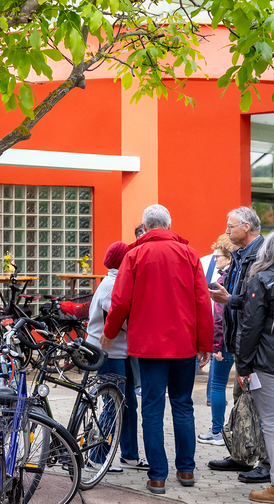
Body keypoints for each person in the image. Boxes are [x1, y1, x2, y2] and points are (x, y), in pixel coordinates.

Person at [102, 204, 212, 495]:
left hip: (149, 345)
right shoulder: (189, 254)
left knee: (152, 408)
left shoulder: (135, 255)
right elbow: (202, 300)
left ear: (146, 226)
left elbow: (121, 300)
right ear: (169, 224)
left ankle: (157, 476)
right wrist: (205, 343)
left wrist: (109, 332)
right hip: (184, 343)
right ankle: (186, 470)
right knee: (183, 404)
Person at [235, 230, 274, 503]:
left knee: (273, 423)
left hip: (268, 362)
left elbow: (251, 327)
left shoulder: (262, 279)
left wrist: (243, 366)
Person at [208, 206, 269, 480]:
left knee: (261, 407)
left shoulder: (262, 255)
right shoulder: (241, 255)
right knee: (242, 403)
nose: (227, 230)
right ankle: (242, 456)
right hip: (241, 343)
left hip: (258, 347)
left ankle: (266, 464)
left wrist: (228, 299)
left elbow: (258, 303)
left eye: (230, 226)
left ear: (246, 227)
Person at [85, 241, 148, 471]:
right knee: (114, 405)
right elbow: (121, 319)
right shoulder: (113, 286)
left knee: (128, 403)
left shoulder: (114, 282)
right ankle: (96, 457)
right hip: (108, 354)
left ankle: (129, 455)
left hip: (120, 353)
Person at [198, 235, 238, 447]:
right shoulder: (243, 276)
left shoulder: (223, 282)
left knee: (217, 385)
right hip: (243, 341)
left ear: (229, 257)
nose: (214, 260)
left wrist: (215, 346)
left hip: (225, 342)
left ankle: (217, 432)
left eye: (218, 256)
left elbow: (220, 317)